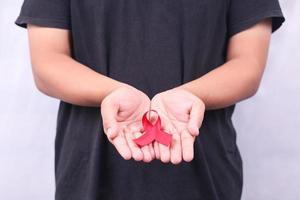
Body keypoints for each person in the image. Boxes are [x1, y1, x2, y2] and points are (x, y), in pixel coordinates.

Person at [15, 0, 285, 199]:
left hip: (206, 176)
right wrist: (111, 93)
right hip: (88, 177)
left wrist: (191, 95)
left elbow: (248, 65)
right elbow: (47, 63)